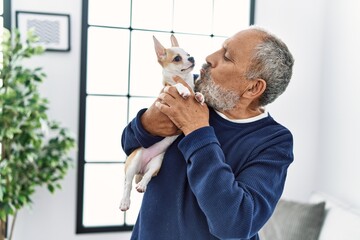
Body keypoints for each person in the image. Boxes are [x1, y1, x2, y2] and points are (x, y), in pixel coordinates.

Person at [121, 26, 295, 240]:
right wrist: (147, 123)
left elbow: (234, 225)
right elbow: (130, 145)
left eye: (227, 57)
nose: (210, 57)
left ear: (253, 89)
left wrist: (197, 130)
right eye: (220, 48)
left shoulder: (274, 142)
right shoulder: (190, 92)